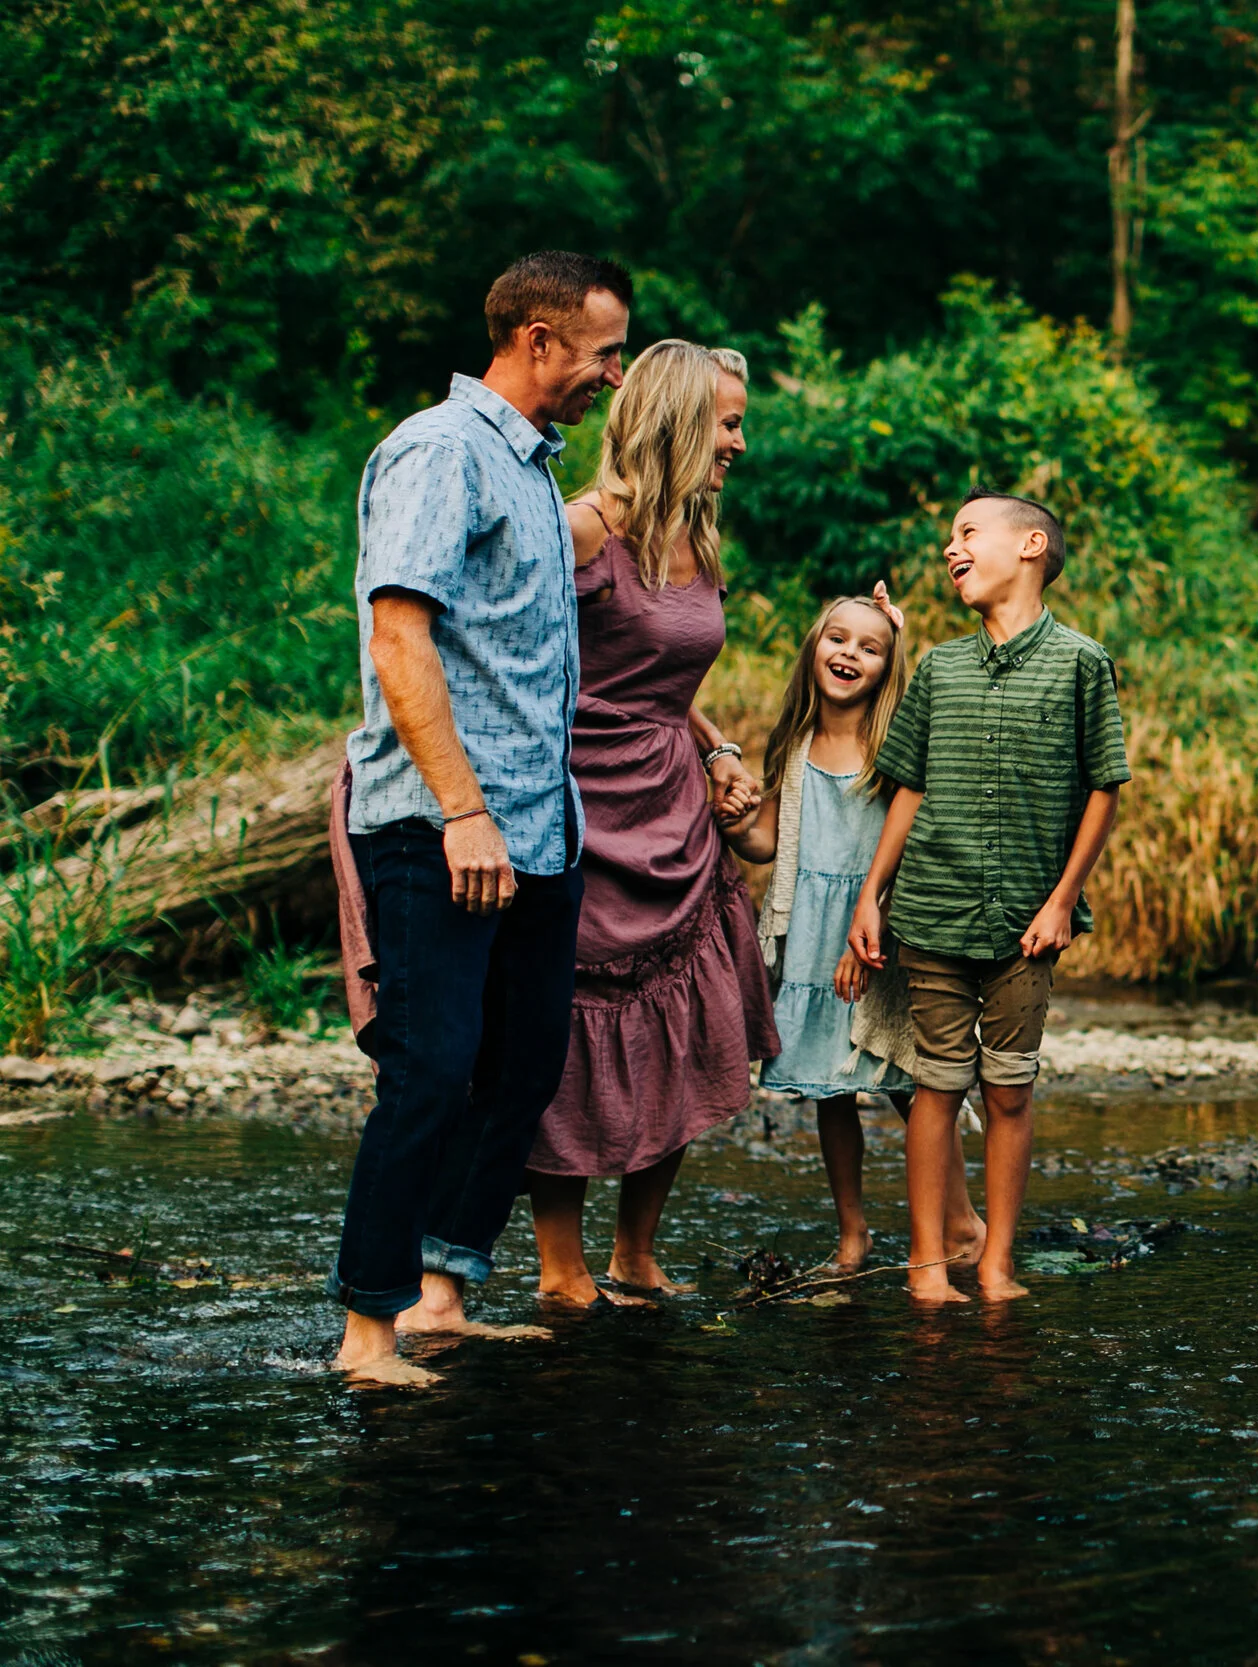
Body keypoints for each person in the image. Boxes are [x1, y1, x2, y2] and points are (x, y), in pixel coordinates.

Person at [330, 251, 631, 1385]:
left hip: (539, 830)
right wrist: (463, 811)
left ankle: (442, 1294)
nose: (613, 372)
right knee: (430, 1067)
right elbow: (399, 636)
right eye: (603, 351)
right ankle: (368, 1329)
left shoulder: (536, 479)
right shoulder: (439, 451)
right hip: (439, 825)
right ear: (539, 341)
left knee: (522, 1063)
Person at [520, 340, 781, 1306]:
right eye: (727, 422)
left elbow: (668, 675)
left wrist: (714, 747)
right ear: (675, 419)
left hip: (676, 809)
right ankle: (562, 1266)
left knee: (690, 1021)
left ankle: (636, 1251)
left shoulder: (698, 534)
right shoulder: (581, 531)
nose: (739, 442)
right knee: (574, 1035)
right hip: (582, 807)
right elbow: (526, 665)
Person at [844, 493, 1130, 1303]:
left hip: (1027, 925)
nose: (951, 547)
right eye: (950, 537)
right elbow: (908, 787)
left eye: (968, 532)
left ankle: (997, 1260)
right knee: (935, 1085)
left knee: (1008, 1088)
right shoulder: (938, 665)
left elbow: (1104, 790)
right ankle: (927, 1263)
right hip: (932, 908)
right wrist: (873, 896)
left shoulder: (1081, 662)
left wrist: (1061, 900)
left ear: (1031, 545)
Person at [722, 588, 987, 1273]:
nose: (849, 654)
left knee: (909, 1076)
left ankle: (960, 1220)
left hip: (879, 930)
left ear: (887, 667)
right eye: (838, 638)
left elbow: (909, 835)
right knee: (828, 1088)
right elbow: (767, 842)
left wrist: (903, 629)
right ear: (815, 646)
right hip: (810, 935)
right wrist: (731, 818)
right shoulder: (797, 739)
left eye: (870, 647)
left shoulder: (891, 739)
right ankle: (853, 1233)